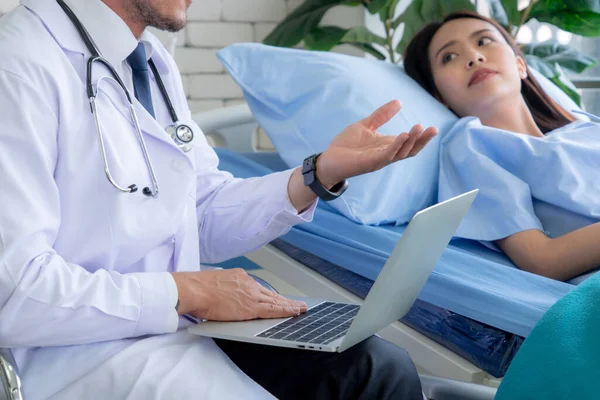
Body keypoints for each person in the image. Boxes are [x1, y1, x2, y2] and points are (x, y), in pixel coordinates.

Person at [0, 0, 438, 399]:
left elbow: (200, 215)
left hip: (176, 327)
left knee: (378, 369)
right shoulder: (18, 63)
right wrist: (184, 291)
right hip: (72, 356)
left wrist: (318, 174)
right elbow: (13, 293)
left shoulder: (150, 63)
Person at [403, 11, 600, 282]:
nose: (474, 57)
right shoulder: (471, 146)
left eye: (483, 41)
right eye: (449, 57)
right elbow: (542, 259)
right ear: (440, 97)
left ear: (520, 65)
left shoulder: (587, 129)